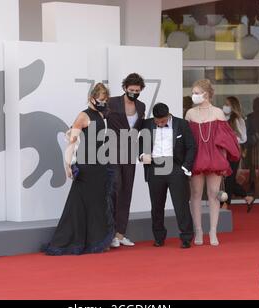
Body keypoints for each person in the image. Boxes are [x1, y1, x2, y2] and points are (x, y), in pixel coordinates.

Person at [45, 83, 115, 255]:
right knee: (80, 204)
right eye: (100, 99)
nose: (103, 102)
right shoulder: (83, 116)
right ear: (91, 98)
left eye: (105, 100)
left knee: (98, 204)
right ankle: (73, 241)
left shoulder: (101, 114)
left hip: (101, 164)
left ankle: (97, 241)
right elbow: (72, 140)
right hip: (87, 165)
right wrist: (67, 164)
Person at [185, 79, 240, 246]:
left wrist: (223, 161)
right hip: (196, 158)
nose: (193, 96)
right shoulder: (190, 114)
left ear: (206, 94)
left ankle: (213, 231)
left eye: (196, 93)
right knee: (195, 194)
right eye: (193, 93)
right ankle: (199, 231)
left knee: (214, 194)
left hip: (215, 158)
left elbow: (225, 140)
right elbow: (187, 140)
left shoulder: (218, 113)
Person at [139, 103, 195, 249]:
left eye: (163, 121)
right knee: (156, 206)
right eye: (157, 122)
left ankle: (186, 237)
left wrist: (185, 168)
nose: (159, 124)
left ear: (168, 116)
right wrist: (142, 155)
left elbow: (191, 146)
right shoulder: (146, 124)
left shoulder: (181, 124)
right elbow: (140, 143)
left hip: (175, 167)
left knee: (181, 204)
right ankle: (158, 237)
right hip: (155, 167)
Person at [106, 73, 146, 248]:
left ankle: (120, 234)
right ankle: (109, 233)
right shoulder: (112, 102)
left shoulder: (141, 106)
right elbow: (97, 118)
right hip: (112, 149)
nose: (134, 93)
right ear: (124, 88)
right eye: (131, 90)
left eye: (137, 91)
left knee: (126, 191)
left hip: (130, 152)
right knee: (115, 187)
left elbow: (141, 128)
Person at [221, 96, 255, 212]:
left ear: (233, 106)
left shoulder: (237, 119)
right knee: (228, 178)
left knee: (229, 178)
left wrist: (231, 138)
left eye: (227, 104)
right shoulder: (223, 118)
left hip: (233, 151)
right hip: (225, 151)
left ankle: (225, 203)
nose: (225, 106)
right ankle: (247, 196)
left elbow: (243, 137)